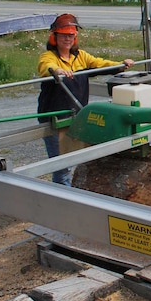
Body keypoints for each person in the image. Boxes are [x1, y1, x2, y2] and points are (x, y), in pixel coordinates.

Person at [37, 13, 134, 185]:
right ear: (55, 37)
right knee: (62, 168)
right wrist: (57, 71)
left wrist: (120, 65)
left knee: (81, 159)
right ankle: (64, 202)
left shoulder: (80, 56)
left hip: (76, 116)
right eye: (64, 35)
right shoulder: (49, 57)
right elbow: (46, 67)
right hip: (55, 118)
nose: (67, 39)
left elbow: (99, 63)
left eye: (71, 36)